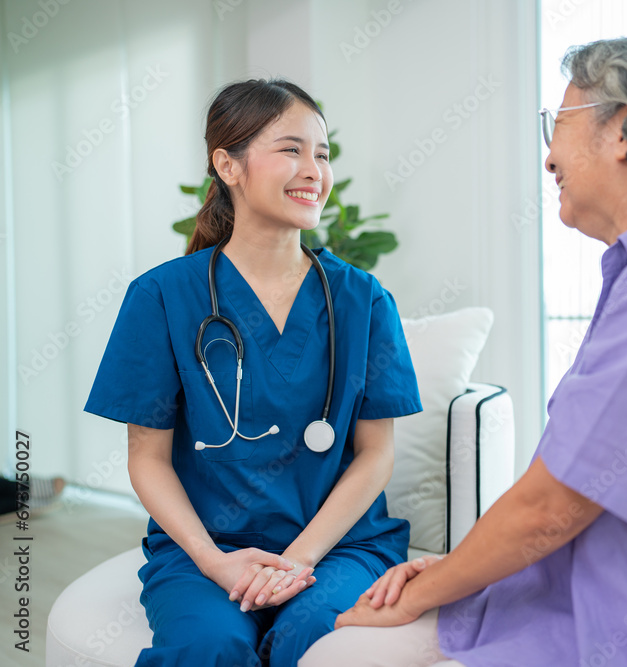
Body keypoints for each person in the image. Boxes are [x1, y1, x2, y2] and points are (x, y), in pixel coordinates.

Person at [300, 33, 627, 667]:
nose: (549, 159)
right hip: (586, 596)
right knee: (338, 646)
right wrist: (456, 571)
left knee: (337, 657)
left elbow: (552, 506)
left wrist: (429, 588)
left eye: (561, 124)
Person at [84, 79, 421, 666]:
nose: (313, 168)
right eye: (291, 149)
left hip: (339, 546)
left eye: (322, 153)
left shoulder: (362, 299)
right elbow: (147, 457)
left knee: (309, 637)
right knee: (208, 645)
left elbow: (376, 454)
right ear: (228, 165)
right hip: (205, 548)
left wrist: (301, 558)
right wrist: (213, 560)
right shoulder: (161, 297)